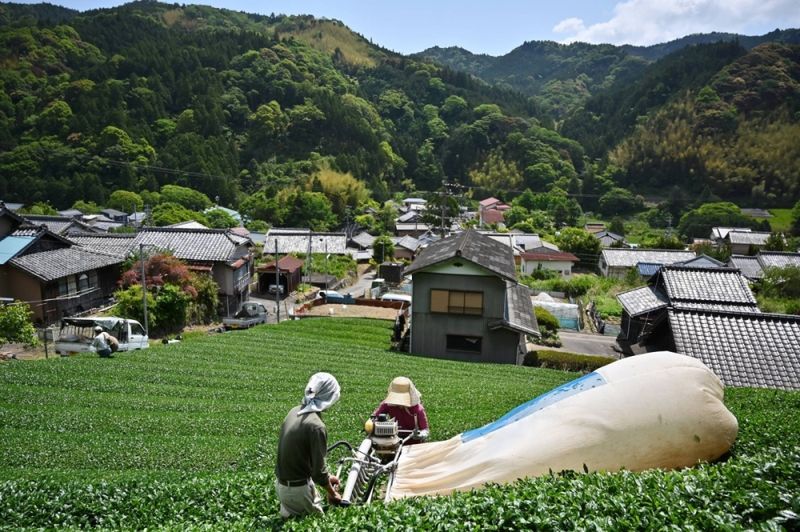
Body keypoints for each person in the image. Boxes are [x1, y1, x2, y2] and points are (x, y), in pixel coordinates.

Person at [275, 372, 342, 518]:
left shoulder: (294, 411)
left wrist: (327, 478)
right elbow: (318, 472)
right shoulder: (316, 426)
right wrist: (333, 493)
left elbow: (300, 457)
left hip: (282, 487)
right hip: (297, 491)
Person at [372, 376, 429, 444]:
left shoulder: (417, 409)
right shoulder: (388, 405)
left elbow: (425, 430)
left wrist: (420, 434)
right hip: (394, 440)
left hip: (413, 443)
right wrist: (372, 423)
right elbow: (375, 416)